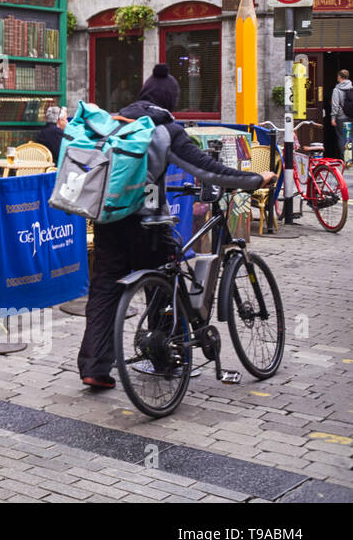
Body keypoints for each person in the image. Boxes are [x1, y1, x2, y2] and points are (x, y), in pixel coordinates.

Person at [77, 68, 275, 391]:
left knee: (103, 293)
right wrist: (254, 179)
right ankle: (167, 357)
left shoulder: (115, 123)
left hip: (108, 220)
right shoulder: (167, 128)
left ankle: (94, 368)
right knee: (163, 286)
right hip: (148, 224)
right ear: (171, 100)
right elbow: (206, 169)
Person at [330, 68, 352, 161]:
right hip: (350, 116)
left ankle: (345, 159)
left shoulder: (337, 89)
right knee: (349, 137)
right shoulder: (351, 87)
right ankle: (350, 159)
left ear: (340, 77)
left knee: (341, 137)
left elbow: (335, 105)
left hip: (341, 117)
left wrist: (333, 118)